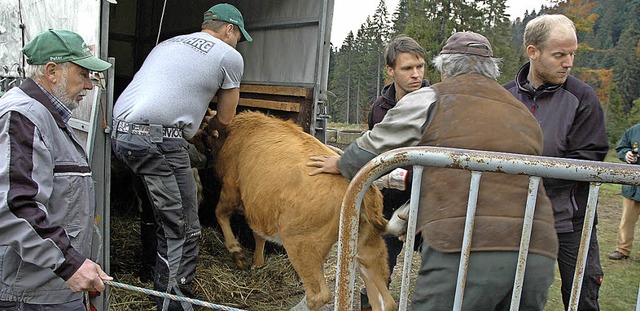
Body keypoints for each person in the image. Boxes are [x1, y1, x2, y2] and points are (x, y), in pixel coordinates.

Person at [308, 31, 558, 310]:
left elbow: (373, 146)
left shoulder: (431, 98)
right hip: (536, 250)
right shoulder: (522, 112)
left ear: (444, 68)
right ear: (492, 69)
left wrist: (342, 163)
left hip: (466, 249)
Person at [111, 3, 252, 311]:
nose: (238, 42)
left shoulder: (168, 44)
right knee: (184, 227)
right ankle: (176, 301)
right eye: (239, 35)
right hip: (157, 141)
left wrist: (192, 135)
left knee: (158, 210)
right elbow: (226, 121)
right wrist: (212, 130)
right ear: (229, 29)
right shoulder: (230, 56)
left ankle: (153, 275)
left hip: (123, 134)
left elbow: (167, 98)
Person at [0, 29, 112, 310]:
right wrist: (69, 264)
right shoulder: (23, 117)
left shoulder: (50, 118)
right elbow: (15, 206)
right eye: (83, 74)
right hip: (29, 297)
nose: (89, 85)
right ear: (52, 71)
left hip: (51, 288)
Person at [503, 14, 609, 311]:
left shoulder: (583, 98)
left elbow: (590, 157)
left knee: (582, 295)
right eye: (560, 54)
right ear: (533, 51)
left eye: (572, 54)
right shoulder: (504, 96)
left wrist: (527, 170)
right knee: (513, 296)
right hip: (514, 220)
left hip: (570, 220)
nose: (569, 62)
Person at [360, 35, 429, 310]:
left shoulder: (437, 104)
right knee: (378, 268)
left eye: (420, 67)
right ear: (390, 71)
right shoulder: (379, 108)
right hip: (389, 202)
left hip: (430, 202)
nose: (416, 75)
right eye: (407, 68)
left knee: (439, 275)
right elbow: (374, 151)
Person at [607, 124, 640, 260]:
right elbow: (621, 147)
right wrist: (626, 154)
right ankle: (622, 250)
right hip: (632, 186)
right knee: (627, 220)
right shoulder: (634, 130)